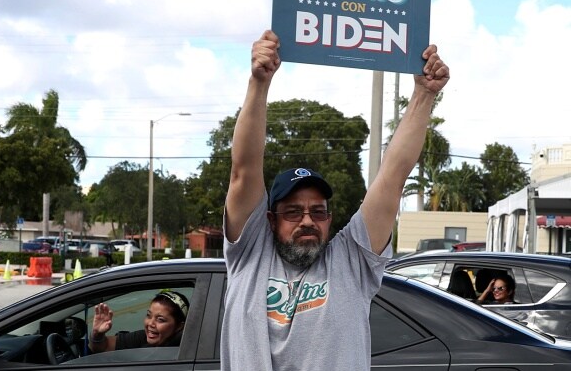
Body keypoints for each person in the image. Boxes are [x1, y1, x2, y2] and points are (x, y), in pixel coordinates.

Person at [221, 30, 450, 370]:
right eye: (293, 212)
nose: (308, 221)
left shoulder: (352, 262)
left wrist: (424, 94)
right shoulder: (249, 253)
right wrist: (260, 83)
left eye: (318, 211)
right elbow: (244, 169)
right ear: (270, 220)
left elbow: (392, 178)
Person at [88, 290, 189, 353]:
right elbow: (103, 347)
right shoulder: (144, 338)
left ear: (180, 326)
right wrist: (97, 334)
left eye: (160, 320)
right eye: (149, 315)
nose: (150, 323)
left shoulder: (185, 350)